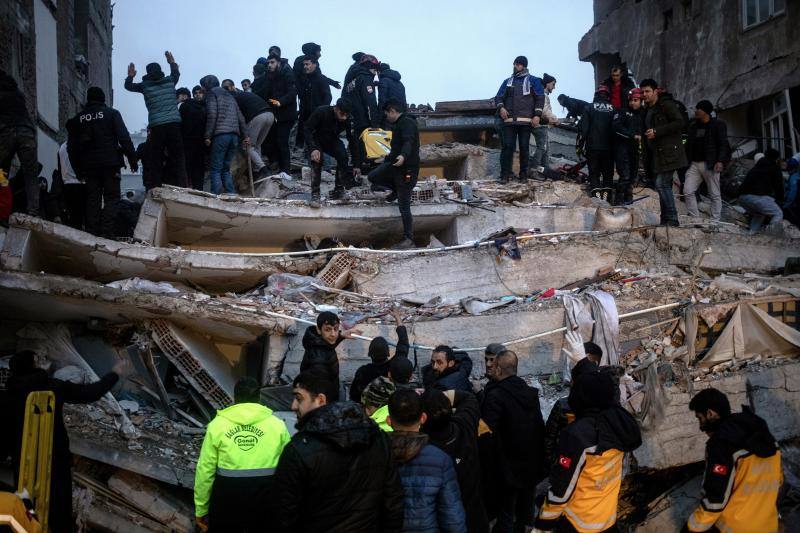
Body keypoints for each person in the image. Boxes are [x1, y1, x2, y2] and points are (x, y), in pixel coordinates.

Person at [7, 350, 127, 533]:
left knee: (26, 503)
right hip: (54, 456)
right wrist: (115, 373)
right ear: (34, 365)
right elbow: (90, 393)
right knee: (59, 507)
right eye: (39, 360)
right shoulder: (52, 386)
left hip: (24, 458)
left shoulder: (9, 392)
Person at [272, 370, 404, 533]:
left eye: (299, 398)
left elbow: (283, 515)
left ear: (320, 400)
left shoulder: (299, 450)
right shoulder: (378, 438)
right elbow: (393, 502)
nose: (293, 406)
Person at [535, 368, 641, 532]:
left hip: (578, 521)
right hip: (607, 517)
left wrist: (543, 524)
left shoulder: (578, 435)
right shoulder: (619, 422)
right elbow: (602, 390)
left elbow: (562, 486)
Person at [194, 377, 290, 533]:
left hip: (227, 499)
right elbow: (290, 468)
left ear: (235, 398)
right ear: (259, 398)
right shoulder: (277, 425)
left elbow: (205, 470)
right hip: (266, 499)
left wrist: (201, 509)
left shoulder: (217, 426)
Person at [682, 389, 782, 533]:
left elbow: (715, 500)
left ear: (710, 414)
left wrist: (691, 527)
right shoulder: (764, 436)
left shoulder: (721, 445)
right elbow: (779, 480)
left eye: (700, 418)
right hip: (768, 525)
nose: (700, 427)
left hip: (733, 528)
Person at [480, 350, 545, 533]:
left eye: (493, 365)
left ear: (499, 370)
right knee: (525, 512)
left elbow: (486, 433)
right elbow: (538, 426)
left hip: (505, 468)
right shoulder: (528, 392)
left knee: (506, 513)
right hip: (530, 464)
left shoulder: (495, 396)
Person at [388, 389, 468, 533]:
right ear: (423, 418)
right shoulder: (440, 459)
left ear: (389, 420)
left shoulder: (376, 455)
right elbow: (452, 518)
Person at [65, 87, 137, 239]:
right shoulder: (112, 114)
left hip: (89, 167)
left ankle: (92, 234)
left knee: (93, 199)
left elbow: (72, 148)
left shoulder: (78, 119)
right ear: (103, 99)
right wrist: (133, 160)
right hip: (110, 164)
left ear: (88, 99)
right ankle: (107, 232)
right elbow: (124, 138)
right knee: (112, 198)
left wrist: (78, 171)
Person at [422, 388, 489, 533]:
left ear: (422, 418)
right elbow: (468, 398)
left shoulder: (423, 449)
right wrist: (443, 397)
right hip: (475, 519)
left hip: (445, 523)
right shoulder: (465, 425)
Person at [124, 51, 188, 188]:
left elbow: (128, 87)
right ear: (160, 70)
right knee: (178, 157)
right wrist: (172, 62)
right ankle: (183, 186)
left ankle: (156, 186)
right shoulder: (170, 81)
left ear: (147, 72)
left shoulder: (145, 85)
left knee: (156, 158)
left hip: (157, 126)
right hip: (173, 125)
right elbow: (176, 74)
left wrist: (130, 76)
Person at [367, 99, 420, 248]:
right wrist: (385, 158)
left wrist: (403, 156)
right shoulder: (398, 125)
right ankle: (396, 189)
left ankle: (409, 239)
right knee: (373, 176)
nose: (386, 117)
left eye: (386, 113)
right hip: (396, 165)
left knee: (404, 206)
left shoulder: (407, 122)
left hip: (407, 169)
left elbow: (408, 142)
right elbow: (396, 148)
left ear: (392, 111)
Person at [642, 78, 686, 226]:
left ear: (655, 91)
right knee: (662, 184)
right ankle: (665, 219)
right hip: (658, 154)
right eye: (643, 92)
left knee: (662, 183)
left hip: (670, 152)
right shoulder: (649, 109)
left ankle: (672, 219)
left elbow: (679, 122)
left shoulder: (666, 105)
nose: (645, 94)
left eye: (647, 91)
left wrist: (657, 131)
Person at [494, 56, 545, 182]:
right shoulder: (507, 81)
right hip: (509, 121)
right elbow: (498, 97)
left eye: (517, 64)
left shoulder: (533, 81)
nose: (515, 66)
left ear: (523, 65)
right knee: (507, 147)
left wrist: (537, 115)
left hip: (526, 121)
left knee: (524, 147)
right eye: (515, 64)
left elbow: (540, 98)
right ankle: (504, 175)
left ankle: (523, 176)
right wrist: (501, 108)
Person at [542, 357, 599, 468]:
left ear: (573, 382)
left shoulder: (564, 405)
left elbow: (549, 436)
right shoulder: (603, 407)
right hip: (589, 464)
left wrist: (552, 461)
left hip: (567, 460)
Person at [304, 99, 361, 206]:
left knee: (343, 156)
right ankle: (315, 194)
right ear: (335, 109)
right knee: (317, 159)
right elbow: (307, 129)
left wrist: (356, 164)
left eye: (346, 115)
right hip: (316, 139)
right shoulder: (321, 111)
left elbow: (353, 141)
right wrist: (312, 148)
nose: (344, 117)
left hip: (332, 139)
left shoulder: (349, 119)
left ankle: (338, 190)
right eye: (342, 114)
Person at [200, 75, 248, 195]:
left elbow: (212, 115)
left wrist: (207, 136)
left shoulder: (212, 94)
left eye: (203, 86)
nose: (202, 89)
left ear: (207, 85)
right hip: (235, 136)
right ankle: (231, 193)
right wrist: (246, 135)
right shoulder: (230, 95)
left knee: (215, 169)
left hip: (221, 135)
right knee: (226, 169)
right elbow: (240, 117)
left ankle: (215, 196)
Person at [349, 307, 409, 403]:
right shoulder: (395, 367)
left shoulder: (363, 372)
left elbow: (354, 396)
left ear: (369, 354)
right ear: (388, 353)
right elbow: (403, 342)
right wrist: (397, 317)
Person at [0, 70, 39, 216]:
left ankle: (3, 210)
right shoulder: (18, 95)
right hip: (27, 133)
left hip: (6, 133)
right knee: (30, 174)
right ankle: (33, 211)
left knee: (1, 173)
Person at [684, 100, 731, 222]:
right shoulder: (693, 126)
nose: (696, 111)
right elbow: (688, 145)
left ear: (705, 111)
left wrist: (720, 161)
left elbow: (723, 144)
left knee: (714, 194)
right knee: (687, 191)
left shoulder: (718, 125)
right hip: (694, 164)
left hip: (710, 164)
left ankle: (715, 221)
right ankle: (696, 220)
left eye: (698, 109)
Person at [299, 311, 361, 397]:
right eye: (327, 329)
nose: (333, 334)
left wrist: (342, 336)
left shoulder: (317, 342)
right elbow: (319, 392)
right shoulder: (318, 359)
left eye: (335, 329)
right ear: (318, 330)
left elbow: (327, 346)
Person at [229, 84, 275, 180]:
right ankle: (256, 172)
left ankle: (264, 170)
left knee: (247, 147)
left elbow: (239, 118)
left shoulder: (234, 98)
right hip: (270, 115)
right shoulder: (245, 94)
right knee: (257, 145)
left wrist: (243, 134)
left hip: (257, 117)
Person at [344, 54, 381, 168]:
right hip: (363, 120)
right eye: (375, 69)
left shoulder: (352, 80)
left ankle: (357, 169)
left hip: (351, 119)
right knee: (368, 152)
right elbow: (370, 102)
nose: (375, 73)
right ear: (370, 66)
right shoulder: (365, 78)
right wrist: (375, 123)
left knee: (356, 148)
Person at [263, 54, 297, 174]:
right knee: (276, 141)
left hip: (287, 113)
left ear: (278, 62)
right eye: (268, 63)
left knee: (282, 142)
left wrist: (280, 102)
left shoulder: (287, 73)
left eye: (272, 62)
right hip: (277, 114)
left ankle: (286, 171)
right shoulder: (272, 76)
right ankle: (280, 169)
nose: (269, 65)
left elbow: (292, 93)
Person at [737, 148, 785, 234]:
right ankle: (772, 237)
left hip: (742, 198)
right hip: (757, 197)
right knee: (778, 213)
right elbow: (779, 188)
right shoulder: (775, 168)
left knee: (760, 213)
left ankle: (751, 233)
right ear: (776, 159)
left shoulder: (757, 167)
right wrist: (781, 201)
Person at [581, 86, 616, 198]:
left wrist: (581, 144)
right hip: (609, 147)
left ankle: (596, 195)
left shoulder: (589, 107)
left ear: (596, 95)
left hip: (593, 146)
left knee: (594, 171)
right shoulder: (614, 109)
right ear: (608, 96)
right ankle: (607, 196)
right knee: (608, 172)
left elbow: (584, 129)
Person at [296, 56, 333, 149]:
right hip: (305, 116)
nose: (305, 66)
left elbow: (328, 97)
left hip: (318, 117)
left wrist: (322, 112)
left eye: (307, 64)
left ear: (314, 65)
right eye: (303, 64)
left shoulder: (321, 79)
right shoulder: (305, 80)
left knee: (318, 143)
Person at [177, 87, 207, 190]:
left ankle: (191, 189)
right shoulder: (202, 107)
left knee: (192, 167)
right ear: (192, 95)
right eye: (196, 93)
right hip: (194, 142)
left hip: (194, 142)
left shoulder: (203, 106)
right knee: (196, 168)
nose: (198, 95)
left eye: (200, 93)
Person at [531, 73, 558, 172]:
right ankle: (533, 169)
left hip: (542, 124)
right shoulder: (543, 94)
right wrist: (555, 119)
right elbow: (545, 110)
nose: (554, 87)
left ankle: (545, 169)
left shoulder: (543, 94)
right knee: (542, 147)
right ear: (547, 84)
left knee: (546, 148)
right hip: (539, 125)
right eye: (553, 84)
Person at [57, 141, 84, 230]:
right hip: (79, 184)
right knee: (79, 218)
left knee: (72, 217)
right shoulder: (78, 144)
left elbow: (60, 168)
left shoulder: (62, 147)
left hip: (66, 184)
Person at [626, 88, 646, 188]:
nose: (632, 103)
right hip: (630, 146)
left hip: (644, 147)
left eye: (635, 100)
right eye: (631, 100)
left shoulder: (646, 113)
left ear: (641, 101)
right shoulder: (626, 112)